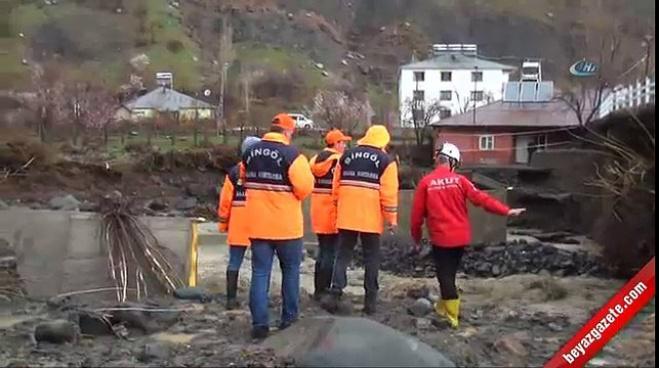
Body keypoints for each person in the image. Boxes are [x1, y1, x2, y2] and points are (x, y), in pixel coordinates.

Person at [410, 143, 526, 329]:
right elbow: (482, 199)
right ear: (453, 162)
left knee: (444, 275)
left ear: (439, 160)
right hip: (460, 238)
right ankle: (443, 306)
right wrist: (507, 211)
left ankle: (452, 316)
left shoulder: (426, 183)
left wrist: (416, 238)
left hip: (441, 239)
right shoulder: (461, 181)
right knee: (450, 273)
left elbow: (416, 217)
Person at [241, 113, 314, 339]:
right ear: (288, 131)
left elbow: (243, 180)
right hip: (286, 227)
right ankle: (289, 320)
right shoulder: (293, 155)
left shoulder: (250, 153)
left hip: (258, 225)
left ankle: (260, 324)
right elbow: (304, 188)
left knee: (260, 273)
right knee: (291, 272)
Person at [323, 125, 399, 315]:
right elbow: (388, 195)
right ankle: (370, 301)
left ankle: (335, 292)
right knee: (371, 258)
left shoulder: (346, 156)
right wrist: (391, 219)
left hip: (347, 216)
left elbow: (336, 187)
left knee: (343, 255)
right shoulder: (386, 161)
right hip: (370, 219)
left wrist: (336, 209)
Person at [217, 136, 261, 310]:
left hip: (238, 222)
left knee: (234, 261)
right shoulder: (263, 171)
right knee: (260, 265)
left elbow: (225, 200)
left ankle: (231, 299)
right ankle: (258, 299)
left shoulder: (234, 172)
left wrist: (223, 223)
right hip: (259, 221)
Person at [309, 129, 352, 300]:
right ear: (336, 144)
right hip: (333, 212)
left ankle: (318, 289)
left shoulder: (314, 160)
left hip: (317, 211)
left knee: (323, 251)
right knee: (331, 253)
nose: (345, 145)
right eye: (343, 142)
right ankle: (326, 290)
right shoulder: (339, 161)